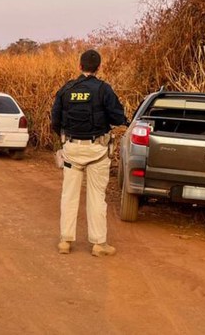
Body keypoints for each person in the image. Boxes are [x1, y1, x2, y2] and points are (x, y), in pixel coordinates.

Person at [50, 49, 128, 256]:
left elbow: (55, 121)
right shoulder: (104, 90)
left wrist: (66, 138)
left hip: (71, 149)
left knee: (69, 195)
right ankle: (98, 244)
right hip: (97, 151)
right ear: (99, 67)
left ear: (79, 66)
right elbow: (119, 118)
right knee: (96, 197)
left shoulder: (66, 90)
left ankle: (65, 241)